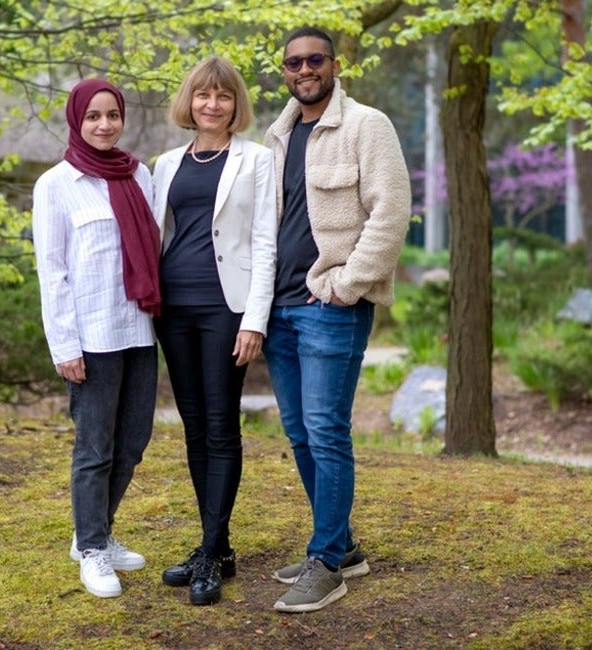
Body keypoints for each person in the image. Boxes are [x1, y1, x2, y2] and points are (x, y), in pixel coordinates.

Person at [262, 27, 412, 613]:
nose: (305, 69)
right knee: (300, 432)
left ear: (335, 64)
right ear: (285, 70)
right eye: (294, 62)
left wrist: (347, 287)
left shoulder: (366, 125)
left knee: (326, 430)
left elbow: (391, 212)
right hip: (279, 308)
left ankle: (326, 562)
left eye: (315, 59)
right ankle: (343, 546)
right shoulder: (276, 137)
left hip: (331, 307)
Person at [151, 57, 278, 606]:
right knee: (194, 425)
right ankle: (217, 549)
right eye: (203, 95)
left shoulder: (257, 160)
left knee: (222, 426)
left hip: (226, 308)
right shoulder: (165, 163)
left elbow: (266, 241)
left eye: (223, 96)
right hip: (172, 308)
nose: (212, 104)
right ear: (189, 101)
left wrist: (256, 319)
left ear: (235, 105)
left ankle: (210, 550)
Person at [31, 78, 161, 599]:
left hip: (140, 330)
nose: (104, 125)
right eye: (93, 117)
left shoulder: (140, 175)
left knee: (132, 441)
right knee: (94, 448)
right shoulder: (56, 184)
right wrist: (64, 345)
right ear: (76, 121)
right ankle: (90, 548)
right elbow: (52, 270)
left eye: (112, 115)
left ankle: (97, 532)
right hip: (92, 336)